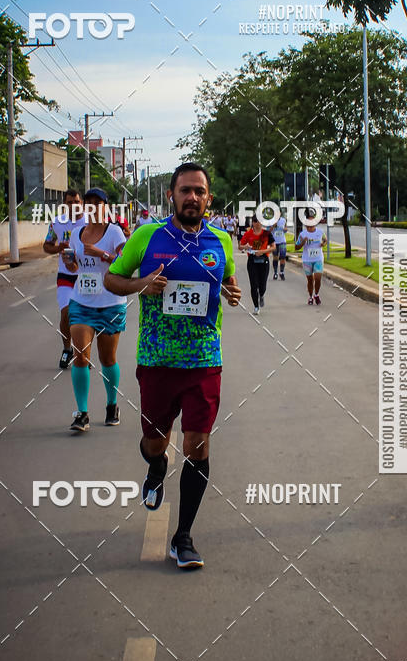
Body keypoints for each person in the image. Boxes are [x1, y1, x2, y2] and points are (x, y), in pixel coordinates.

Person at [103, 162, 241, 569]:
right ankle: (157, 466)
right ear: (172, 196)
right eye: (185, 190)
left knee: (198, 445)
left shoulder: (221, 241)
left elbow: (228, 281)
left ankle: (183, 537)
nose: (192, 197)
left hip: (204, 359)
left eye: (199, 191)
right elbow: (112, 279)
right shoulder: (147, 236)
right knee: (154, 443)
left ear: (209, 198)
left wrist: (231, 292)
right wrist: (140, 285)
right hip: (157, 361)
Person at [61, 190, 127, 432]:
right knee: (81, 356)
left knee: (107, 359)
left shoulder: (114, 232)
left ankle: (112, 405)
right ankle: (82, 413)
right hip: (81, 302)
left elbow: (125, 263)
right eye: (88, 204)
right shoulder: (76, 234)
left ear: (106, 207)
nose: (92, 208)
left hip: (110, 303)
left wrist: (103, 254)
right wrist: (69, 262)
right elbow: (75, 267)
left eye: (97, 204)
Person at [43, 189, 85, 369]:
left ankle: (83, 353)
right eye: (69, 202)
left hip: (86, 275)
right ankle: (67, 349)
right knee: (66, 313)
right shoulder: (57, 223)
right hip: (65, 276)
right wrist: (58, 248)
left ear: (81, 203)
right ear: (65, 204)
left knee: (85, 316)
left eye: (76, 201)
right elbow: (47, 245)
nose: (73, 205)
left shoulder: (90, 222)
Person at [239, 216, 275, 314]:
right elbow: (240, 246)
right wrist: (245, 246)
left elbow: (273, 247)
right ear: (252, 223)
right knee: (254, 285)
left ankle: (261, 295)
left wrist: (263, 251)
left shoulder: (266, 233)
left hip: (263, 260)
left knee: (262, 285)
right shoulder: (248, 234)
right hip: (252, 260)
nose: (257, 223)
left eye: (259, 221)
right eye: (255, 221)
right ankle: (256, 306)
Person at [295, 209, 327, 305]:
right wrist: (302, 242)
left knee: (318, 278)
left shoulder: (320, 232)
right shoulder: (302, 234)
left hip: (318, 258)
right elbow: (296, 247)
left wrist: (323, 244)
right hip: (307, 259)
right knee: (310, 280)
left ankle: (316, 294)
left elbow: (325, 240)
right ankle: (310, 296)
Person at [271, 211, 288, 280]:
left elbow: (286, 229)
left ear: (280, 213)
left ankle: (282, 272)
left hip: (282, 241)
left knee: (283, 257)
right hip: (274, 242)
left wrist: (285, 229)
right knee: (275, 258)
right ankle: (275, 273)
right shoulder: (271, 221)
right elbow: (268, 231)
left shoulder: (283, 220)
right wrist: (273, 226)